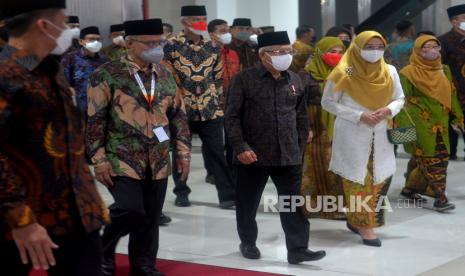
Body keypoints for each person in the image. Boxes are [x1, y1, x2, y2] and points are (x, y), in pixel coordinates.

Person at [0, 1, 109, 275]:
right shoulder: (5, 74)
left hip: (74, 214)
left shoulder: (47, 68)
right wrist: (21, 219)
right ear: (43, 26)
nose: (68, 32)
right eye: (63, 23)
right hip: (20, 218)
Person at [86, 19, 191, 276]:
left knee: (151, 216)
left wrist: (183, 152)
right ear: (130, 43)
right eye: (150, 43)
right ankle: (102, 251)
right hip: (121, 156)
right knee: (130, 209)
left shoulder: (165, 74)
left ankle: (143, 263)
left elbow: (178, 116)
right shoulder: (107, 74)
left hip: (157, 157)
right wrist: (99, 159)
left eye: (160, 42)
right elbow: (94, 120)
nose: (157, 47)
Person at [225, 31, 326, 264]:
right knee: (247, 203)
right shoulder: (244, 79)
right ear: (263, 55)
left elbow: (300, 114)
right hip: (253, 154)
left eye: (288, 51)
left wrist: (301, 142)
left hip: (288, 152)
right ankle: (248, 242)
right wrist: (240, 147)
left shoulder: (295, 79)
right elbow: (231, 117)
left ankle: (298, 248)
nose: (285, 56)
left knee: (292, 203)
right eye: (279, 52)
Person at [321, 31, 405, 247]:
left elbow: (400, 98)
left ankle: (359, 221)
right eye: (369, 46)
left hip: (381, 134)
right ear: (357, 48)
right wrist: (359, 115)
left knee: (378, 180)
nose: (374, 51)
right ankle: (365, 227)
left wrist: (388, 109)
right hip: (352, 133)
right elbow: (328, 102)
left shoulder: (389, 70)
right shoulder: (347, 70)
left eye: (379, 46)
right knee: (356, 180)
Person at [164, 5, 235, 208]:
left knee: (216, 152)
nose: (201, 23)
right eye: (196, 19)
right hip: (182, 108)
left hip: (210, 108)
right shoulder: (171, 46)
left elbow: (218, 77)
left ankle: (227, 195)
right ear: (184, 22)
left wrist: (218, 103)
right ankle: (181, 192)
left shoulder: (212, 46)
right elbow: (167, 76)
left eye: (203, 18)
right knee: (181, 152)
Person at [396, 35, 464, 212]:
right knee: (436, 159)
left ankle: (410, 189)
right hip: (419, 122)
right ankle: (440, 198)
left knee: (425, 159)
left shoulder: (445, 70)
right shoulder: (407, 73)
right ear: (418, 50)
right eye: (426, 47)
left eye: (435, 46)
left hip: (440, 122)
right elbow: (401, 101)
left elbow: (451, 94)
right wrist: (405, 130)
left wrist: (458, 117)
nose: (432, 50)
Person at [299, 37, 346, 220]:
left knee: (337, 165)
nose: (337, 56)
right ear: (319, 52)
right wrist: (306, 127)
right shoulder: (307, 74)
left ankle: (336, 207)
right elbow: (299, 103)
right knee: (315, 165)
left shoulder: (346, 70)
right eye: (332, 51)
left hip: (340, 122)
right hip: (315, 123)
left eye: (341, 52)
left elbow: (357, 85)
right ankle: (310, 207)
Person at [208, 19, 240, 182]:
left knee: (231, 137)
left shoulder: (232, 53)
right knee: (214, 142)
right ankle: (212, 172)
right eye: (222, 31)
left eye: (228, 30)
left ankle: (230, 171)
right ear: (211, 34)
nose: (227, 33)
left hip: (231, 102)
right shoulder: (206, 54)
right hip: (212, 102)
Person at [61, 26, 108, 117]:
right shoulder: (71, 58)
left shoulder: (104, 59)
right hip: (80, 108)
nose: (96, 42)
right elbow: (65, 83)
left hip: (101, 108)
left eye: (98, 39)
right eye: (91, 39)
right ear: (81, 41)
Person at [439, 4, 465, 161]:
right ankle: (451, 152)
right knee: (451, 124)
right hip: (452, 91)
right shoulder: (443, 41)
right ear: (454, 21)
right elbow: (438, 68)